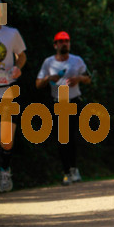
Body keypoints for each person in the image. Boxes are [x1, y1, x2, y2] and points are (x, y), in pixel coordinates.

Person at [36, 31, 91, 185]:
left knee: (71, 136)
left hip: (73, 101)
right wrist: (48, 78)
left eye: (66, 41)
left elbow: (88, 78)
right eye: (60, 41)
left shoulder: (77, 60)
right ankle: (66, 171)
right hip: (57, 102)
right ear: (55, 45)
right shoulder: (48, 62)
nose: (64, 43)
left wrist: (78, 79)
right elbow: (38, 84)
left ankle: (74, 169)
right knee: (62, 139)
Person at [0, 0, 27, 200]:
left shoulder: (11, 34)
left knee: (7, 139)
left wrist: (17, 68)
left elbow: (22, 56)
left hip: (8, 92)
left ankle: (5, 170)